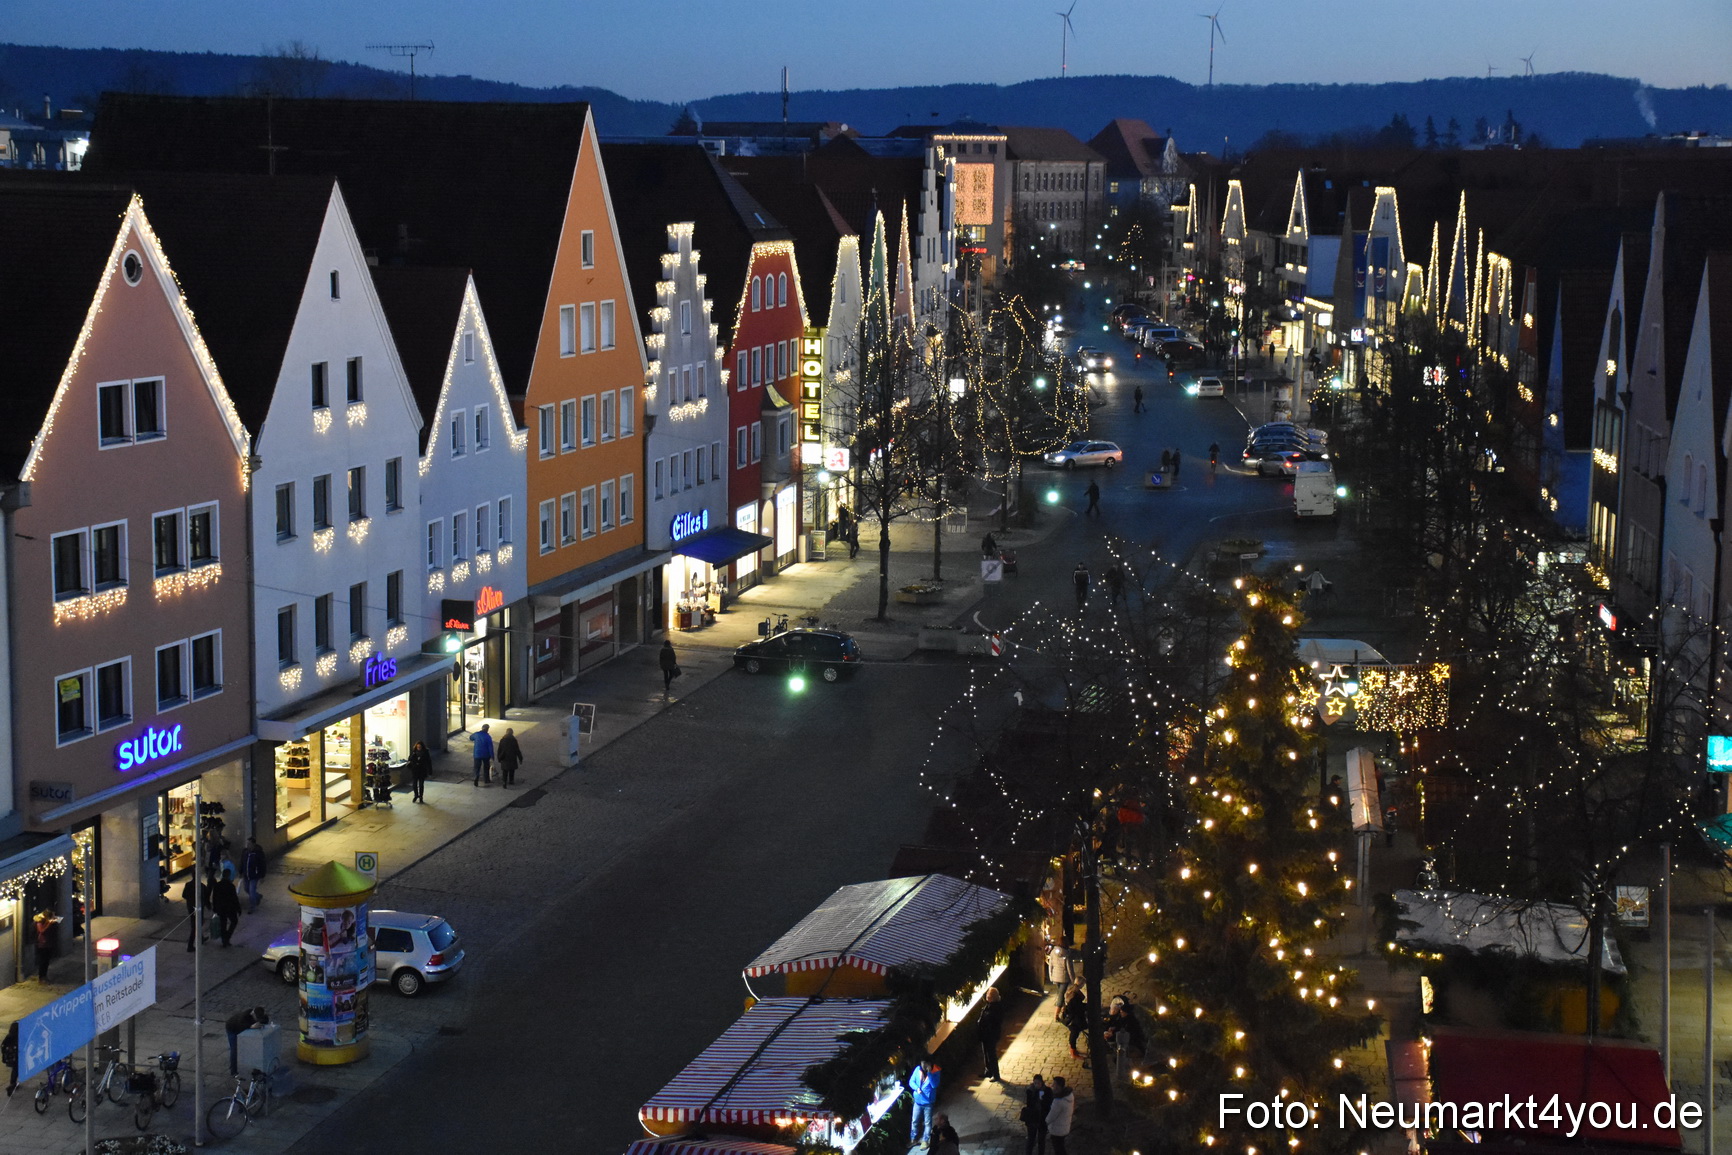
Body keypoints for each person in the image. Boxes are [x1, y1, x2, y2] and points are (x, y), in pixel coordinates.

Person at [225, 1006, 269, 1076]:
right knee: (235, 1049)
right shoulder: (244, 1016)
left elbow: (266, 1021)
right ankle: (233, 1071)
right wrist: (251, 1026)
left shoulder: (260, 1016)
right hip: (232, 1029)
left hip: (241, 1028)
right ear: (253, 1014)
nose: (257, 1020)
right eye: (257, 1018)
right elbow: (241, 1025)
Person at [908, 1059, 940, 1146]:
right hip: (918, 1101)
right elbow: (911, 1081)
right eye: (923, 1063)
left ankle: (925, 1140)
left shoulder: (936, 1071)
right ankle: (913, 1139)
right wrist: (916, 1088)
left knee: (927, 1122)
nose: (924, 1066)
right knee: (914, 1121)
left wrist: (929, 1073)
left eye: (926, 1063)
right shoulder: (918, 1069)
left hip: (928, 1102)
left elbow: (934, 1085)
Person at [977, 986, 1005, 1081]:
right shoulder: (989, 1006)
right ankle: (988, 1071)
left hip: (991, 1035)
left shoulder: (996, 1008)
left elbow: (994, 1021)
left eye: (989, 995)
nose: (987, 997)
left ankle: (996, 1075)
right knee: (986, 1053)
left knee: (991, 1054)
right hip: (985, 1034)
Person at [1021, 1074, 1053, 1155]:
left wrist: (1042, 1099)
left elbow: (1048, 1104)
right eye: (1035, 1083)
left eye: (1038, 1083)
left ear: (1042, 1082)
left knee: (1041, 1140)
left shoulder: (1047, 1091)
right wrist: (1035, 1094)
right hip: (1032, 1119)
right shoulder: (1030, 1091)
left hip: (1042, 1119)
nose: (1037, 1085)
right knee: (1031, 1139)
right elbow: (1029, 1104)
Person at [211, 868, 242, 947]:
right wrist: (238, 909)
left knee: (223, 924)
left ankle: (224, 939)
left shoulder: (217, 885)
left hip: (221, 908)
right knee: (234, 921)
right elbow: (235, 898)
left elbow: (214, 897)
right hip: (229, 908)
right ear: (228, 876)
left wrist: (214, 907)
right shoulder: (230, 886)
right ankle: (227, 937)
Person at [1045, 1076, 1075, 1155]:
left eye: (1054, 1084)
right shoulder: (1069, 1096)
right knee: (1061, 1147)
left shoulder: (1058, 1102)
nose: (1052, 1086)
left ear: (1058, 1087)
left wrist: (1045, 1122)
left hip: (1057, 1130)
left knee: (1059, 1149)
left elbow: (1051, 1117)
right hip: (1064, 1127)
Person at [239, 837, 267, 914]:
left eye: (249, 844)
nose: (247, 845)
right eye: (247, 844)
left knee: (251, 891)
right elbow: (242, 862)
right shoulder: (245, 852)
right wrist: (241, 871)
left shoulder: (258, 853)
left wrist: (262, 876)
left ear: (253, 844)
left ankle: (252, 907)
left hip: (254, 876)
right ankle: (257, 896)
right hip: (246, 875)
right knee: (246, 889)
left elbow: (262, 865)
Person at [1060, 985, 1089, 1056]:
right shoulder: (1075, 1000)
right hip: (1075, 1022)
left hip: (1074, 1020)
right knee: (1074, 1035)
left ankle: (1073, 1050)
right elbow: (1079, 1008)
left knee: (1074, 1035)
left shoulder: (1071, 999)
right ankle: (1073, 1052)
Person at [181, 875, 205, 952]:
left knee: (196, 924)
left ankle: (201, 938)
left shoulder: (188, 884)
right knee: (196, 926)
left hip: (190, 908)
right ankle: (190, 945)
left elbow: (184, 895)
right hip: (197, 908)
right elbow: (204, 897)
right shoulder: (201, 886)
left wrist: (190, 900)